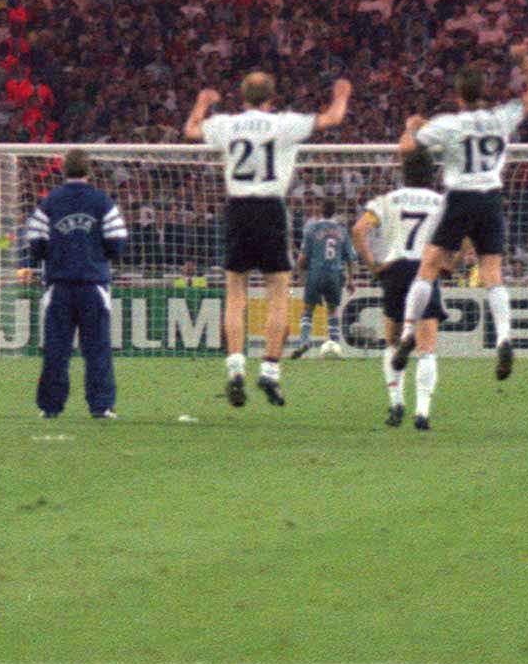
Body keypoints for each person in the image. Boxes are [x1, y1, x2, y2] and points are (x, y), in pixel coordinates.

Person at [184, 70, 351, 408]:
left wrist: (202, 103)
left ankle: (234, 369)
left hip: (238, 209)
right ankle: (270, 370)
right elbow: (333, 118)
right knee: (278, 292)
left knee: (235, 294)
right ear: (272, 97)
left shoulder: (227, 124)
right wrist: (342, 93)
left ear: (242, 96)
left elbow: (190, 130)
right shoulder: (284, 124)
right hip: (271, 210)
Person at [399, 38, 528, 385]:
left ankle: (407, 332)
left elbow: (407, 148)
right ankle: (505, 338)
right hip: (492, 197)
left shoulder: (449, 123)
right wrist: (524, 62)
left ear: (458, 95)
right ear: (484, 92)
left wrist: (413, 127)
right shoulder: (500, 117)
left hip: (461, 196)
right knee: (492, 273)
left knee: (428, 268)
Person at [23, 147, 128, 420]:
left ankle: (50, 407)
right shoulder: (102, 201)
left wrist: (56, 256)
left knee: (56, 350)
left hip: (59, 285)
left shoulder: (49, 202)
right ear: (89, 170)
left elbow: (34, 243)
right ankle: (101, 405)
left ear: (63, 170)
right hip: (94, 284)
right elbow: (117, 242)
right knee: (98, 349)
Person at [353, 147, 445, 430]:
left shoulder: (387, 200)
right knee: (427, 346)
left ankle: (395, 404)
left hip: (394, 270)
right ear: (432, 174)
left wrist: (372, 265)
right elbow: (465, 237)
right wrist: (450, 261)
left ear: (403, 174)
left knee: (391, 341)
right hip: (425, 269)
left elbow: (358, 230)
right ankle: (422, 412)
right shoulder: (442, 202)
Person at [289, 201, 352, 360]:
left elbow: (303, 258)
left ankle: (304, 341)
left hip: (316, 273)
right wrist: (351, 279)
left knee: (308, 310)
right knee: (332, 311)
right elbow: (351, 259)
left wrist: (296, 273)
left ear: (320, 211)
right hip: (335, 274)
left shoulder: (312, 229)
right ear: (335, 212)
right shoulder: (342, 231)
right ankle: (335, 345)